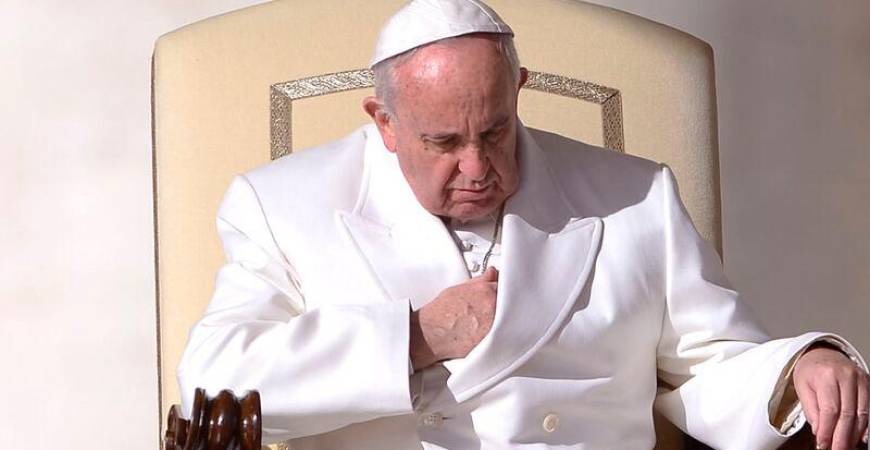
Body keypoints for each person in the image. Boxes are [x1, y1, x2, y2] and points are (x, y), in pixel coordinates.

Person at [177, 1, 869, 449]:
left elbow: (713, 365)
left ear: (519, 89)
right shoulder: (281, 204)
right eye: (443, 143)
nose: (477, 166)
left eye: (496, 130)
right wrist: (415, 338)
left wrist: (800, 367)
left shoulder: (635, 196)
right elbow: (213, 388)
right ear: (383, 122)